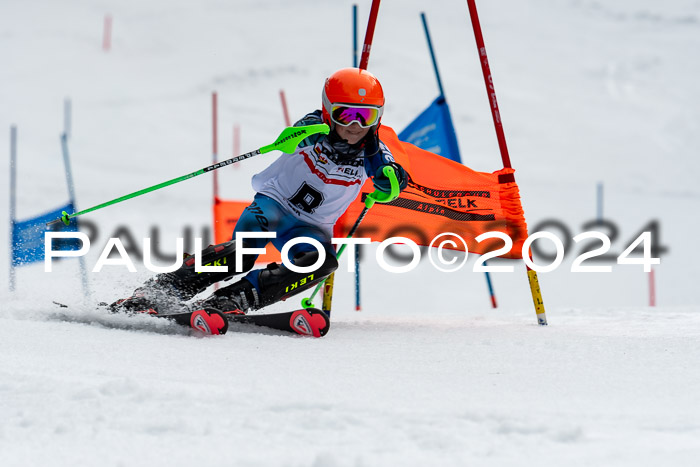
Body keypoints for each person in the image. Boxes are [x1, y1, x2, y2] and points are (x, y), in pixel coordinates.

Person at [112, 67, 407, 316]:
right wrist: (297, 137)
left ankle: (234, 299)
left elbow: (391, 177)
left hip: (310, 228)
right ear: (329, 112)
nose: (355, 125)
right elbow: (299, 132)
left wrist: (390, 182)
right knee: (244, 252)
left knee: (323, 261)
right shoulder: (315, 127)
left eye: (365, 117)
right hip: (274, 206)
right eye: (345, 115)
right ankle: (160, 291)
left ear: (377, 118)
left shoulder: (375, 152)